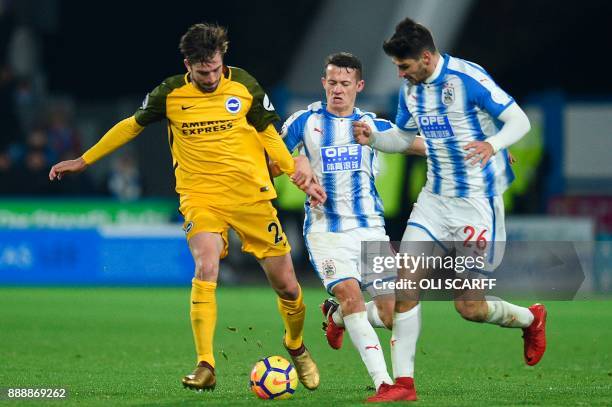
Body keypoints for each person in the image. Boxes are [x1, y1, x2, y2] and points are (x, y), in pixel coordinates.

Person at [48, 22, 324, 392]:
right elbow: (131, 126)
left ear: (221, 58)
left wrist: (293, 170)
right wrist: (84, 160)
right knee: (206, 264)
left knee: (288, 287)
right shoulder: (170, 92)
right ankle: (206, 364)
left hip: (251, 197)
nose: (210, 76)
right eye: (201, 70)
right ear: (187, 64)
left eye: (214, 68)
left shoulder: (244, 85)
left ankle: (296, 345)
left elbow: (268, 134)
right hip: (200, 197)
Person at [354, 18, 547, 402]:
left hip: (477, 206)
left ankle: (531, 318)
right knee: (405, 284)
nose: (400, 72)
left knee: (470, 307)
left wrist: (493, 144)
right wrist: (375, 138)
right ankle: (403, 385)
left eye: (404, 65)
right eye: (397, 66)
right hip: (434, 201)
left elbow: (518, 120)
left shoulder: (467, 79)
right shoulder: (410, 90)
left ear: (426, 57)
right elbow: (404, 138)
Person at [277, 52, 425, 398]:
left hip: (370, 229)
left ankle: (337, 317)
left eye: (345, 84)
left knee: (391, 314)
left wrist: (486, 149)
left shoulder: (372, 126)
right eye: (332, 83)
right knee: (351, 295)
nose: (338, 90)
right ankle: (384, 383)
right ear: (323, 84)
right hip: (325, 231)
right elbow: (269, 161)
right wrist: (295, 160)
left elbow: (419, 145)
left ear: (359, 86)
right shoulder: (303, 122)